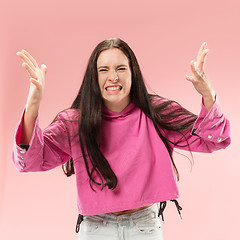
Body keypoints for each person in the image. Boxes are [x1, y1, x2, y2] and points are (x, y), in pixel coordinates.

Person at [12, 38, 231, 240]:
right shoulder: (75, 123)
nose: (113, 76)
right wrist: (33, 104)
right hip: (95, 228)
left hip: (144, 225)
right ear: (94, 77)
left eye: (121, 68)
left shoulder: (157, 114)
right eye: (104, 69)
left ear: (133, 73)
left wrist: (208, 94)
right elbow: (29, 161)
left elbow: (215, 139)